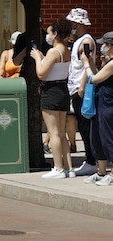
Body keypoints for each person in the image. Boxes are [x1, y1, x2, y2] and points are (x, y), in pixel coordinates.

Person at [31, 19, 74, 178]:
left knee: (54, 132)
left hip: (51, 90)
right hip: (62, 88)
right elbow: (54, 68)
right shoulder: (66, 50)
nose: (48, 36)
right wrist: (43, 57)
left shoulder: (54, 51)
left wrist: (37, 58)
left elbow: (41, 73)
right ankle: (69, 168)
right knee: (61, 133)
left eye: (49, 33)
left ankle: (58, 168)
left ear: (55, 34)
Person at [67, 7, 98, 177]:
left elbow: (89, 64)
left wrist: (82, 86)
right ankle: (90, 159)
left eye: (72, 22)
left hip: (82, 88)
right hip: (75, 87)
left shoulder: (86, 41)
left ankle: (92, 160)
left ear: (78, 23)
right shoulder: (78, 40)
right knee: (82, 125)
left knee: (86, 127)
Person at [80, 31, 113, 185]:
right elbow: (97, 74)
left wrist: (86, 64)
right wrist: (92, 64)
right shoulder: (108, 62)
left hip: (108, 105)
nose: (102, 47)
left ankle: (111, 174)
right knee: (97, 138)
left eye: (105, 44)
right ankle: (101, 172)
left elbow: (94, 79)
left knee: (108, 139)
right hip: (99, 104)